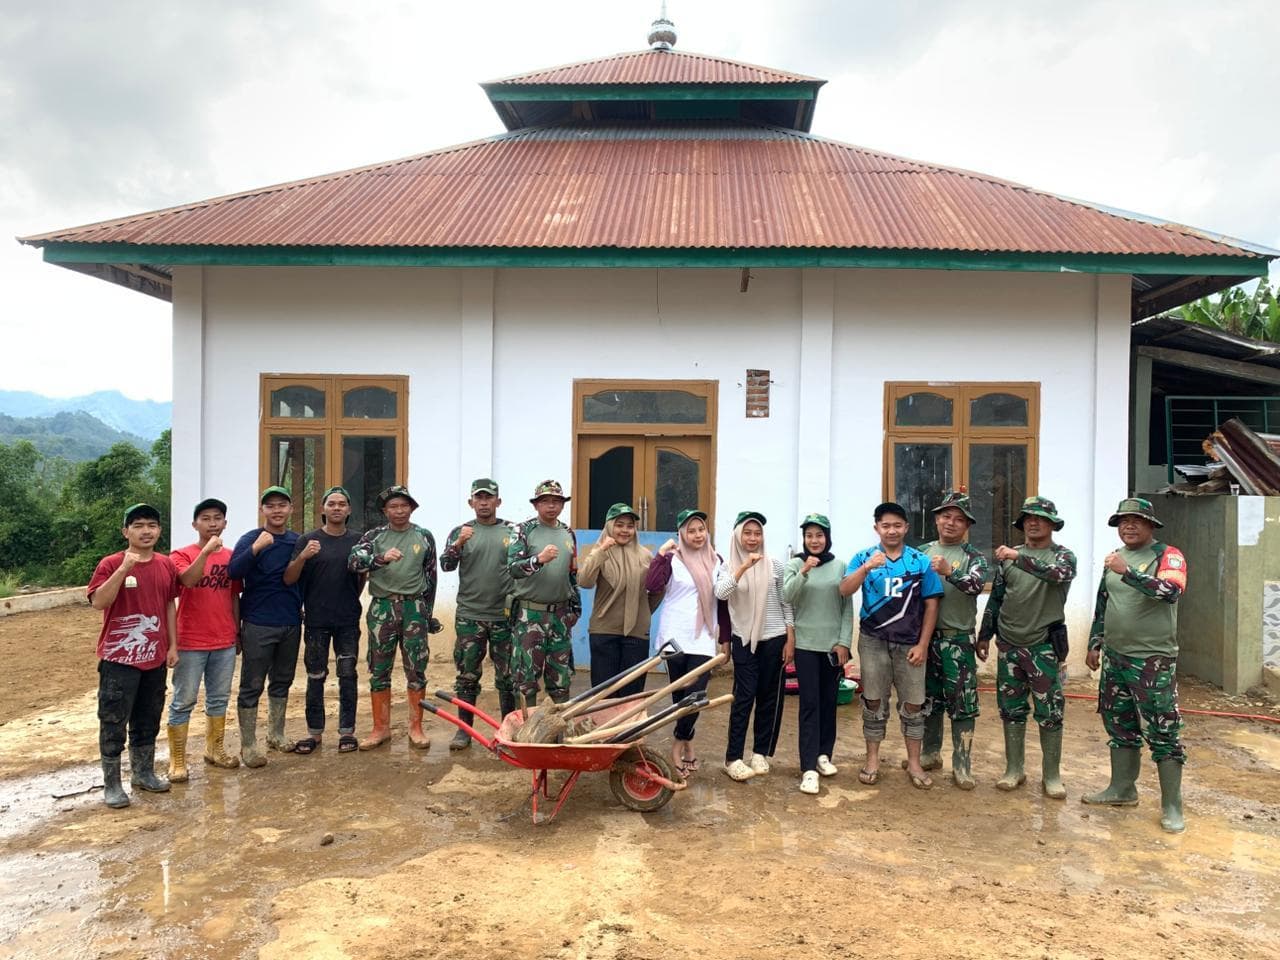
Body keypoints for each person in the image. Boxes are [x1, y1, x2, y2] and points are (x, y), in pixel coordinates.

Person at [1082, 498, 1189, 833]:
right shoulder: (1116, 557)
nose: (1128, 526)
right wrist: (1095, 642)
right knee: (1119, 723)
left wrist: (1128, 573)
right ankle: (1122, 789)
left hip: (1152, 659)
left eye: (1136, 521)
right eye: (1123, 521)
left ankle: (1172, 805)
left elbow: (1170, 592)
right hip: (1116, 657)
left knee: (1162, 729)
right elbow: (1104, 601)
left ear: (1150, 525)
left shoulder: (1168, 555)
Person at [978, 496, 1077, 799]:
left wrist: (1015, 557)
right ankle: (1014, 769)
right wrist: (985, 634)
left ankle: (1052, 775)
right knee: (1011, 710)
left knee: (1050, 712)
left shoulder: (1063, 556)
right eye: (1027, 519)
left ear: (1052, 524)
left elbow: (1057, 575)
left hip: (1044, 646)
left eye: (1040, 518)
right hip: (1009, 645)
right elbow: (996, 598)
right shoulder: (1010, 557)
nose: (1033, 523)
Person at [839, 502, 944, 789]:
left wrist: (923, 644)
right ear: (877, 528)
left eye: (897, 525)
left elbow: (932, 603)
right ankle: (872, 760)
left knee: (913, 703)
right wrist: (866, 568)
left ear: (906, 528)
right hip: (873, 641)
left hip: (910, 643)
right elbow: (845, 589)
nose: (892, 530)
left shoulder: (919, 561)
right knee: (873, 700)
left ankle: (914, 763)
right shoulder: (863, 557)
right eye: (885, 525)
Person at [88, 503, 179, 808]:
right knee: (113, 719)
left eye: (152, 525)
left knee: (148, 717)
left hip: (154, 657)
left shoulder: (166, 565)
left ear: (159, 531)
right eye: (138, 525)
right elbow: (99, 602)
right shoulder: (110, 563)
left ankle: (143, 773)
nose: (146, 531)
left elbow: (169, 604)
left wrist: (172, 645)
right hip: (118, 659)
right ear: (125, 531)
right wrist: (124, 568)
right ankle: (112, 783)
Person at [348, 485, 439, 750]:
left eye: (403, 505)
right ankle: (380, 728)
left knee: (416, 668)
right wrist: (380, 559)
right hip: (382, 609)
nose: (399, 511)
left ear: (411, 507)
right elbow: (354, 562)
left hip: (414, 608)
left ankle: (416, 727)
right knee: (379, 668)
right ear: (385, 511)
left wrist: (428, 614)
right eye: (393, 506)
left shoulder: (423, 536)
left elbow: (431, 577)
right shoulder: (374, 536)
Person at [646, 508, 729, 776]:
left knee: (696, 695)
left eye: (701, 529)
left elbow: (723, 601)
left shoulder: (717, 561)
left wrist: (724, 638)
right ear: (681, 533)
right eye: (691, 530)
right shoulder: (672, 559)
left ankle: (678, 742)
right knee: (679, 695)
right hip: (674, 636)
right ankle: (688, 744)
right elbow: (652, 584)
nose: (697, 535)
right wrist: (660, 555)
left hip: (703, 636)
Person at [917, 492, 990, 790]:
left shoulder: (974, 556)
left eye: (959, 519)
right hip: (926, 640)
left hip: (957, 641)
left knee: (963, 704)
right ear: (936, 519)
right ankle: (930, 753)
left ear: (967, 525)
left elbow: (976, 585)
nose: (951, 523)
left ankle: (962, 763)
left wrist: (951, 571)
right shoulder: (921, 553)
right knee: (927, 701)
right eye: (946, 516)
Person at [284, 486, 364, 755]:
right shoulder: (307, 540)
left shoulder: (358, 540)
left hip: (348, 620)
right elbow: (289, 578)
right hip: (316, 620)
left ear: (349, 510)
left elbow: (361, 578)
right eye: (332, 503)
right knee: (315, 675)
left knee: (348, 674)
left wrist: (350, 601)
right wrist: (304, 556)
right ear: (323, 509)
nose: (337, 508)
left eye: (342, 504)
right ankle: (314, 733)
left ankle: (347, 732)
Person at [167, 498, 241, 783]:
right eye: (206, 518)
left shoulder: (232, 556)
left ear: (225, 523)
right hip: (190, 641)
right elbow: (187, 580)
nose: (212, 524)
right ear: (195, 524)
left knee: (219, 699)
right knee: (183, 700)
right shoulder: (181, 554)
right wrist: (206, 552)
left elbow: (234, 595)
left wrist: (236, 631)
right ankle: (178, 759)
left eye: (217, 518)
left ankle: (215, 749)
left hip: (223, 641)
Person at [716, 511, 794, 782]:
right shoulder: (726, 567)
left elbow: (786, 603)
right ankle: (733, 757)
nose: (753, 538)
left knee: (770, 697)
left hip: (774, 639)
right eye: (747, 533)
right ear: (738, 536)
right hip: (744, 640)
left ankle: (761, 752)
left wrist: (790, 638)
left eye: (757, 533)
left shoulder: (775, 565)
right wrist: (743, 568)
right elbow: (721, 593)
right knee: (744, 696)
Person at [228, 486, 303, 767]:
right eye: (270, 506)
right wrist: (257, 548)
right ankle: (248, 744)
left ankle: (276, 733)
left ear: (291, 509)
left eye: (282, 505)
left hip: (291, 622)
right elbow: (233, 572)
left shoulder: (298, 541)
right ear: (262, 510)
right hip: (258, 623)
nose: (277, 510)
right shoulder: (250, 539)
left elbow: (303, 579)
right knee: (252, 683)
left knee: (282, 680)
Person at [439, 478, 516, 750]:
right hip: (470, 615)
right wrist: (458, 543)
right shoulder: (461, 531)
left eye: (489, 498)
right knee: (467, 675)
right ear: (471, 502)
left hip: (504, 615)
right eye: (478, 498)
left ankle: (508, 732)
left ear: (498, 502)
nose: (484, 502)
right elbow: (446, 565)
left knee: (507, 677)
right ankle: (464, 731)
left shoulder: (512, 532)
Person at [783, 513, 853, 795]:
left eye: (819, 535)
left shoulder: (840, 566)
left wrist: (844, 642)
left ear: (827, 537)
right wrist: (804, 572)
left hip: (831, 646)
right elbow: (787, 596)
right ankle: (808, 768)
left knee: (829, 703)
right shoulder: (795, 564)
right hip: (805, 646)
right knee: (809, 705)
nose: (814, 540)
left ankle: (824, 755)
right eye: (809, 535)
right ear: (804, 539)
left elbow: (846, 607)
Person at [506, 480, 582, 705]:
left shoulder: (568, 532)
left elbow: (572, 573)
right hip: (530, 614)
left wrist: (575, 609)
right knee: (525, 678)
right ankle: (525, 731)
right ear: (536, 505)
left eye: (557, 501)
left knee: (561, 677)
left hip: (560, 615)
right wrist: (537, 560)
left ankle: (556, 734)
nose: (551, 506)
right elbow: (512, 569)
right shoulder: (523, 530)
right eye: (546, 501)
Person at [578, 502, 655, 697]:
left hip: (636, 635)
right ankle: (606, 728)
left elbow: (656, 590)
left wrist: (643, 613)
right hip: (604, 632)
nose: (625, 530)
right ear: (610, 525)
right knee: (604, 694)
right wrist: (601, 550)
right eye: (619, 525)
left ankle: (630, 729)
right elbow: (585, 581)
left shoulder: (646, 556)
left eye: (630, 526)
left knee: (632, 693)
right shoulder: (600, 552)